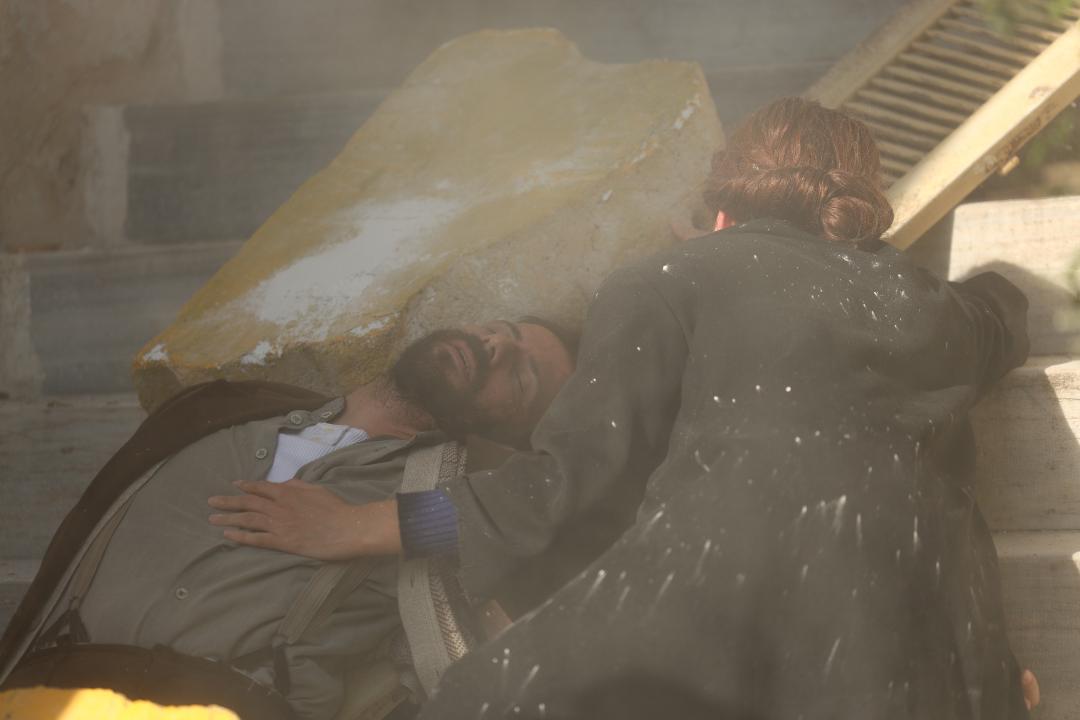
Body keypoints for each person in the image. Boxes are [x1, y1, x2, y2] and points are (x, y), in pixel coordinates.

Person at [211, 97, 1037, 718]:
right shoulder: (923, 304)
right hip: (935, 666)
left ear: (723, 200)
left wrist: (356, 524)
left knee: (476, 701)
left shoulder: (667, 281)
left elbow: (561, 488)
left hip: (737, 618)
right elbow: (1005, 307)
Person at [0, 318, 576, 720]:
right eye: (503, 329)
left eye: (521, 377)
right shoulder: (220, 409)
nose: (495, 348)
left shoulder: (443, 496)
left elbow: (547, 504)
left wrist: (360, 526)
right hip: (42, 684)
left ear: (514, 437)